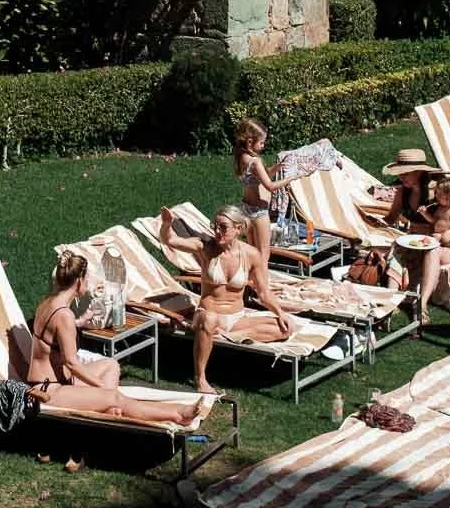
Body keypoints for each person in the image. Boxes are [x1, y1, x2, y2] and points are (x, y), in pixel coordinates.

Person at [24, 253, 199, 425]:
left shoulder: (49, 302)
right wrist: (101, 386)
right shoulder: (64, 315)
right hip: (49, 390)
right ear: (79, 281)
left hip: (58, 381)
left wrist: (80, 322)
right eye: (86, 279)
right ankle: (177, 414)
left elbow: (53, 332)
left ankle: (107, 408)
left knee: (110, 365)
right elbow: (71, 363)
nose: (88, 283)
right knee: (113, 395)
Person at [156, 203, 303, 393]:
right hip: (207, 314)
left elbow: (264, 293)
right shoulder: (204, 246)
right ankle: (200, 378)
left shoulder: (251, 255)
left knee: (285, 327)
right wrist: (167, 224)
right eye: (215, 226)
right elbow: (169, 240)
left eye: (223, 227)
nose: (217, 231)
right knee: (209, 319)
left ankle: (229, 337)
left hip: (236, 319)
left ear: (238, 228)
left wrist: (280, 312)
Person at [393, 177, 450, 324]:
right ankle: (397, 293)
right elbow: (434, 222)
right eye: (437, 194)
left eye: (440, 194)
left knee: (433, 250)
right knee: (406, 249)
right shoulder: (440, 207)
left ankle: (422, 303)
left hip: (447, 247)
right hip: (435, 242)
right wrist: (425, 215)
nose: (436, 197)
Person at [232, 118, 292, 257]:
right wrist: (291, 179)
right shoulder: (255, 161)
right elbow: (270, 186)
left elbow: (260, 176)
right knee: (264, 254)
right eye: (261, 142)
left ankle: (251, 278)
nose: (263, 146)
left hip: (246, 209)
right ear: (250, 142)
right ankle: (262, 278)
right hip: (259, 212)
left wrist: (276, 168)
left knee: (251, 253)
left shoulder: (242, 157)